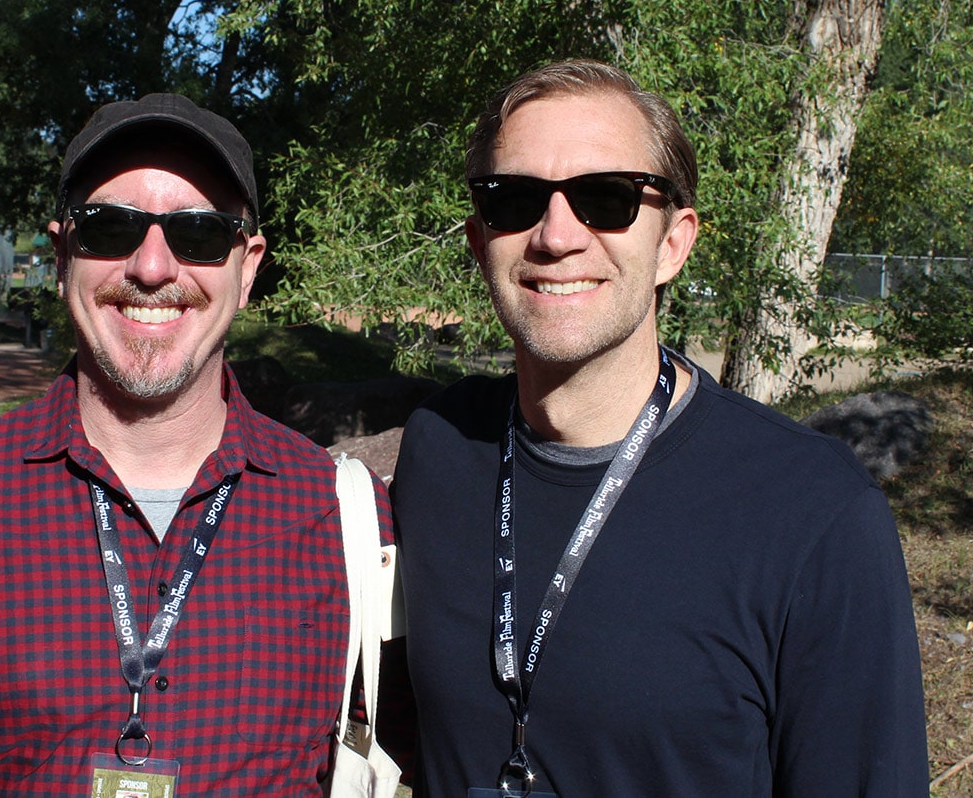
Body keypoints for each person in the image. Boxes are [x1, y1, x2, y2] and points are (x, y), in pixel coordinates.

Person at [0, 93, 385, 795]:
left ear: (246, 267)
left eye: (197, 234)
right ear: (64, 252)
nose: (153, 267)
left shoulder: (348, 518)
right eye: (110, 227)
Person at [387, 59, 927, 797]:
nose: (556, 235)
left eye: (605, 198)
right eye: (514, 199)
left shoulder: (814, 513)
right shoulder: (440, 450)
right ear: (481, 241)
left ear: (674, 242)